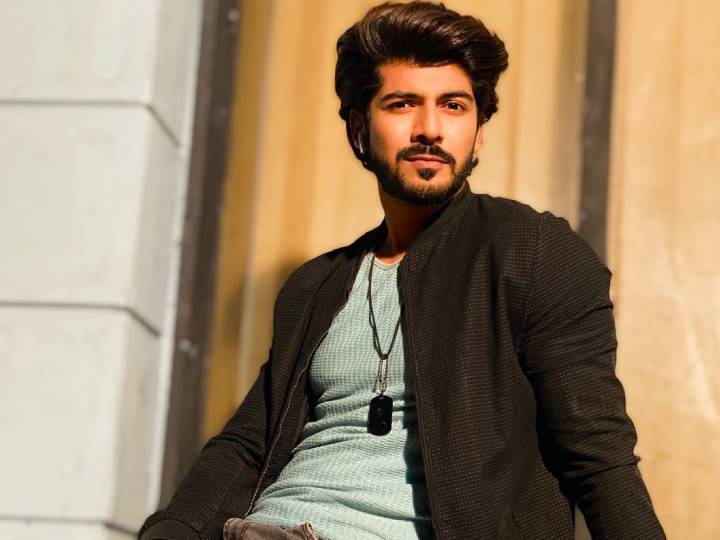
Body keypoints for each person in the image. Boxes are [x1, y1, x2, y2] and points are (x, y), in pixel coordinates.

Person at [139, 2, 666, 539]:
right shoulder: (315, 285)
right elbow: (246, 446)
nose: (430, 128)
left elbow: (597, 450)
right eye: (402, 104)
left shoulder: (530, 252)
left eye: (454, 106)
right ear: (359, 129)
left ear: (479, 132)